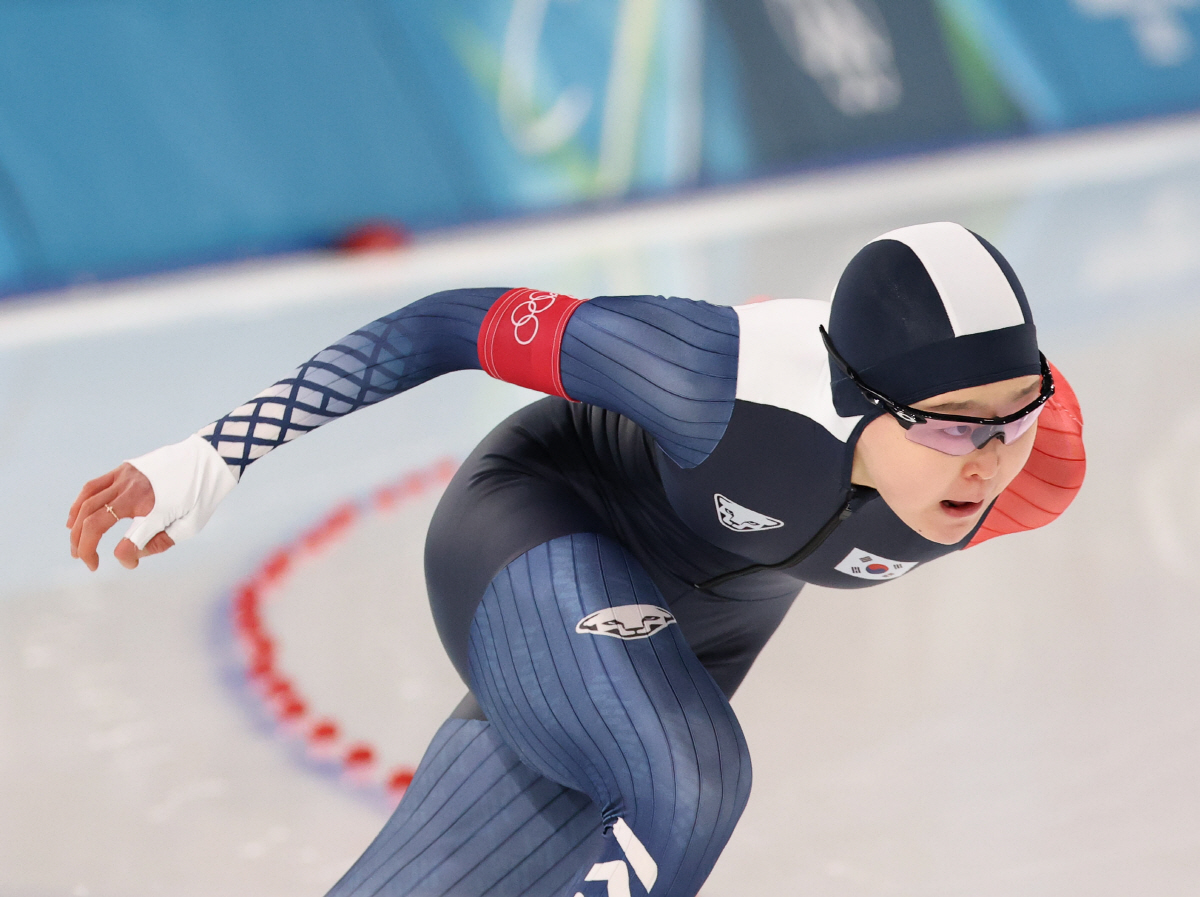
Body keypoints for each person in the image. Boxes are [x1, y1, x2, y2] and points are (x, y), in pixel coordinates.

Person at [67, 222, 1085, 897]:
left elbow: (999, 432)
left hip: (703, 626)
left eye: (1015, 417)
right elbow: (446, 323)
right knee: (688, 778)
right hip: (540, 526)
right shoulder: (713, 378)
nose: (989, 461)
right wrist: (217, 451)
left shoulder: (1038, 467)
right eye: (951, 428)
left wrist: (991, 426)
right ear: (859, 395)